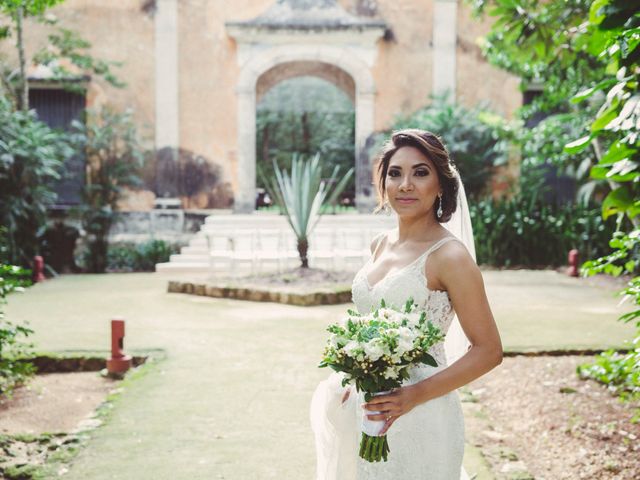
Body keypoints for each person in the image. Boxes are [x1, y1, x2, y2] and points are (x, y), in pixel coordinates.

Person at [310, 129, 503, 479]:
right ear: (383, 183)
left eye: (420, 172)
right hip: (367, 408)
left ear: (441, 185)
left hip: (423, 413)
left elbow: (488, 350)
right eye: (395, 173)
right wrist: (353, 374)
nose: (405, 185)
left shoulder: (450, 256)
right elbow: (367, 323)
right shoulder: (379, 244)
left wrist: (413, 395)